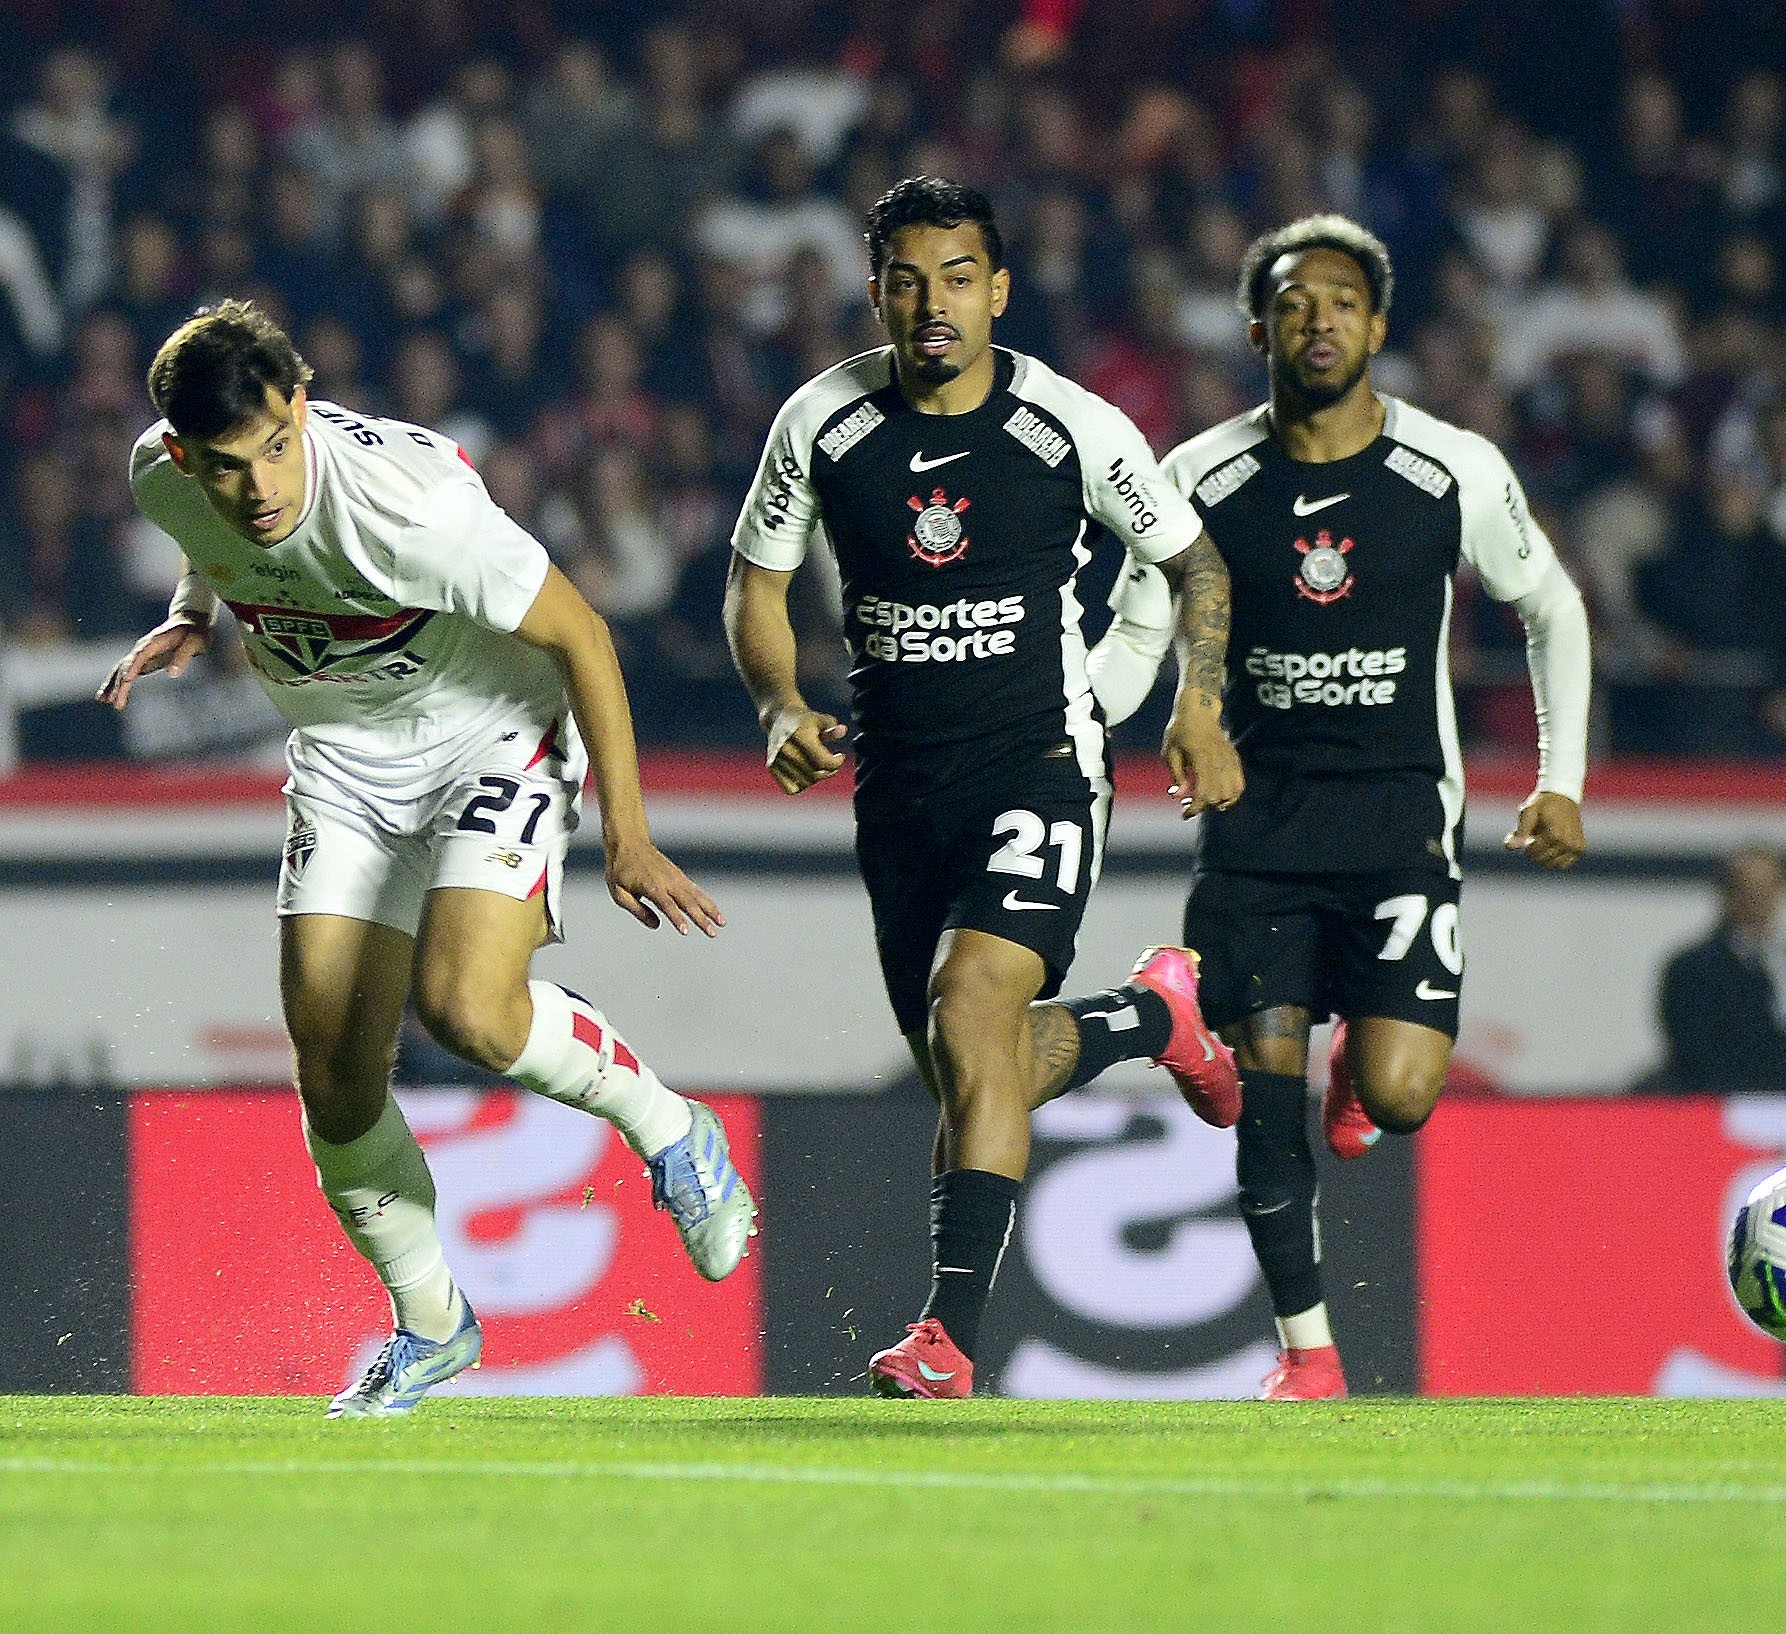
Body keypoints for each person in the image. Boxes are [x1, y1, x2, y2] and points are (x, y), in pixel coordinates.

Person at [97, 300, 754, 1418]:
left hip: (488, 725)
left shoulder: (412, 511)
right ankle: (433, 1324)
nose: (259, 488)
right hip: (344, 759)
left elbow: (583, 633)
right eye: (227, 467)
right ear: (182, 453)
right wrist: (195, 611)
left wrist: (628, 833)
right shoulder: (163, 476)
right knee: (333, 1071)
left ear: (300, 403)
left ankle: (669, 1126)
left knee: (467, 1009)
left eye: (274, 448)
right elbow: (211, 540)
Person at [722, 176, 1246, 1401]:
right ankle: (1149, 1018)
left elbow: (1196, 563)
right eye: (907, 281)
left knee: (971, 1015)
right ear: (875, 292)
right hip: (898, 787)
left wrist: (1197, 704)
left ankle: (946, 1337)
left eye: (957, 278)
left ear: (998, 290)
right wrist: (780, 703)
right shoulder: (821, 421)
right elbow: (757, 580)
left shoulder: (1069, 426)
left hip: (1038, 764)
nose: (932, 304)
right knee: (974, 1067)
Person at [1088, 213, 1594, 1401]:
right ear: (1256, 331)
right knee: (1266, 1103)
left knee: (1405, 1094)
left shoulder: (1451, 467)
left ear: (1377, 328)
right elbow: (1137, 637)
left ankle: (1361, 1061)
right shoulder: (1195, 477)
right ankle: (1308, 1352)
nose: (1318, 320)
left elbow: (1551, 606)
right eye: (1293, 303)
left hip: (1399, 820)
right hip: (1256, 828)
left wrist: (1560, 777)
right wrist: (1065, 725)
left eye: (1342, 302)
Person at [1653, 846, 1786, 1095]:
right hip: (1733, 1105)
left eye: (1768, 887)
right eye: (1748, 886)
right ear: (1727, 892)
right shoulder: (1692, 970)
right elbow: (1695, 1055)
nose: (1758, 897)